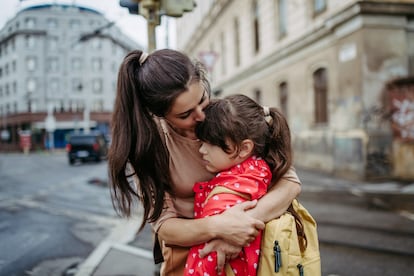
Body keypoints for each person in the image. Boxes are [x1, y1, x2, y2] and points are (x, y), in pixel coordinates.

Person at [108, 49, 301, 275]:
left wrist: (240, 228)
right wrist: (218, 228)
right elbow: (165, 227)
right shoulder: (149, 147)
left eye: (202, 100)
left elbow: (289, 182)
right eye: (185, 114)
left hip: (255, 252)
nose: (201, 116)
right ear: (159, 114)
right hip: (192, 260)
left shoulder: (226, 116)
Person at [184, 94, 292, 276]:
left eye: (209, 144)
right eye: (201, 142)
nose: (201, 150)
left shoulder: (228, 194)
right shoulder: (259, 170)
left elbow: (209, 258)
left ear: (244, 148)